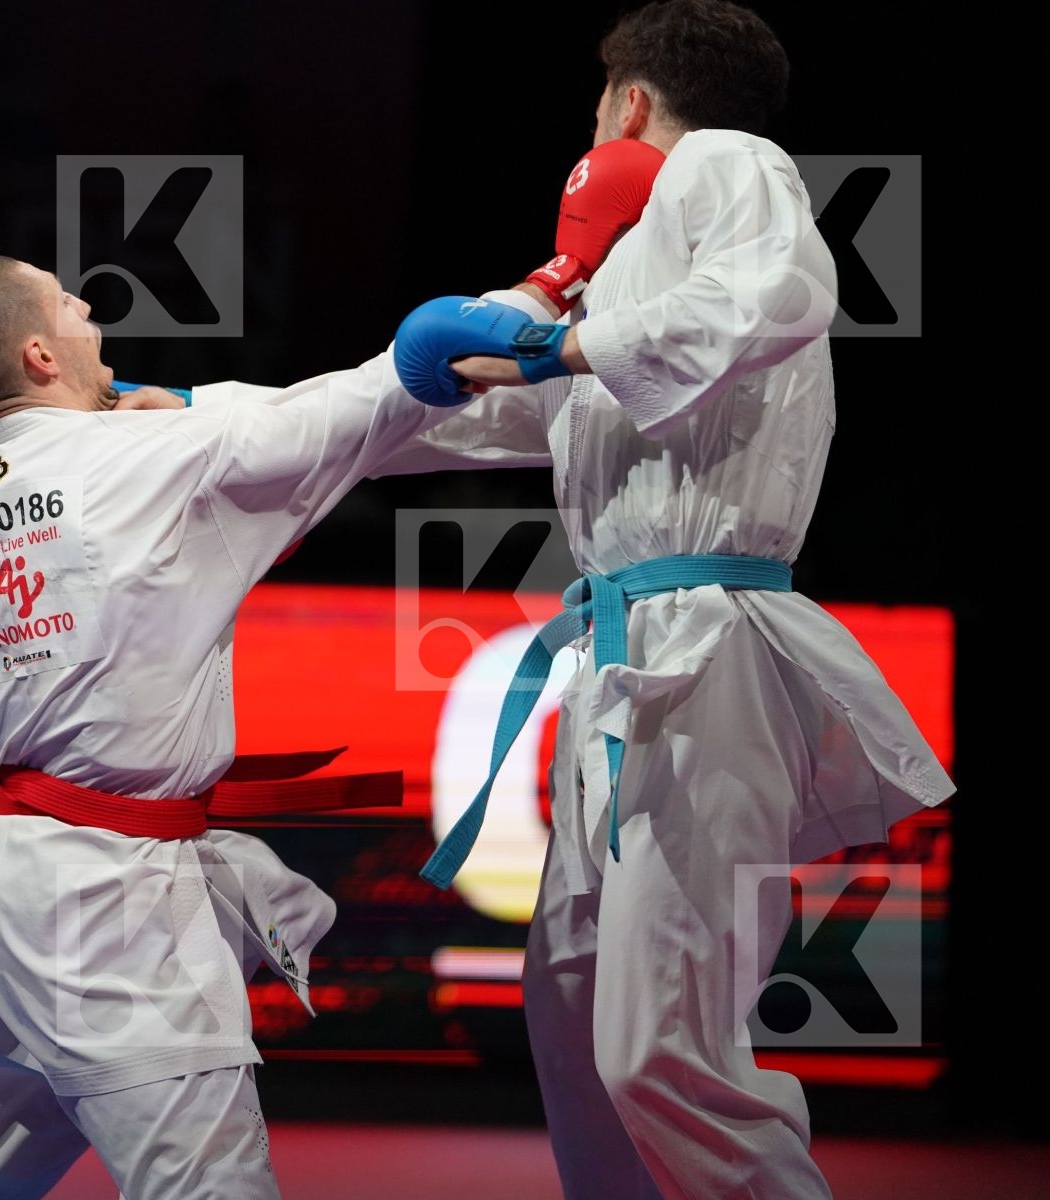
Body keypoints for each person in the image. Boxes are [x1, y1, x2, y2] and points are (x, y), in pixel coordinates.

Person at [375, 2, 954, 1196]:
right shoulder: (624, 279)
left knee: (663, 1047)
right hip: (621, 655)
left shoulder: (727, 163)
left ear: (629, 104)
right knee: (576, 1018)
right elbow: (488, 412)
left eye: (599, 106)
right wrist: (217, 420)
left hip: (705, 651)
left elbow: (778, 296)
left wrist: (554, 348)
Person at [0, 255, 469, 1198]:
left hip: (11, 878)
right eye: (65, 301)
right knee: (209, 1183)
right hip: (108, 903)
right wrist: (512, 307)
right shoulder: (141, 457)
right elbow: (348, 413)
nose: (87, 306)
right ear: (40, 355)